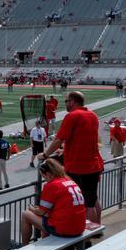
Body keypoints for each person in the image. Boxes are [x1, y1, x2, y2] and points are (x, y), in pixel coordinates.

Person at [38, 91, 103, 225]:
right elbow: (83, 139)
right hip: (94, 165)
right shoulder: (93, 115)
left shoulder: (72, 116)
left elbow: (58, 139)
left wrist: (45, 154)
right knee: (92, 201)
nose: (65, 104)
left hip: (78, 167)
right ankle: (96, 230)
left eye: (66, 101)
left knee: (82, 204)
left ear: (73, 102)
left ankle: (86, 236)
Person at [20, 158, 86, 245]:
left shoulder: (51, 185)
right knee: (47, 218)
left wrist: (31, 208)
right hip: (79, 227)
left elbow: (41, 212)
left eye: (44, 177)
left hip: (65, 229)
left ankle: (24, 246)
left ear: (48, 174)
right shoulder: (69, 181)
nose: (45, 180)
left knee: (25, 214)